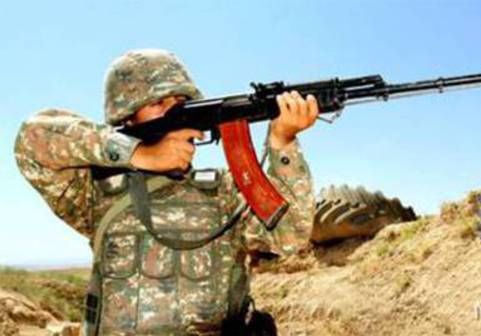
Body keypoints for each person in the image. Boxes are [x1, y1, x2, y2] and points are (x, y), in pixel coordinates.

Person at [14, 49, 318, 335]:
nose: (173, 110)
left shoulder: (225, 191)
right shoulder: (94, 191)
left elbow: (289, 237)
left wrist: (283, 144)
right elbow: (33, 137)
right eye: (158, 103)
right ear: (127, 118)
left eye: (180, 100)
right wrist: (140, 155)